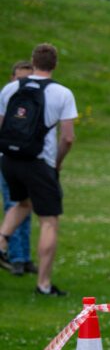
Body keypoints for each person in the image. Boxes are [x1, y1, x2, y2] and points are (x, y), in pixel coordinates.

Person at [0, 43, 77, 296]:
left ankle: (1, 242)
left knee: (22, 203)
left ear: (33, 62)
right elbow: (67, 138)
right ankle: (43, 284)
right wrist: (57, 163)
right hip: (38, 161)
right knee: (49, 221)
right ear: (55, 64)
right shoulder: (62, 93)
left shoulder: (10, 88)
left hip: (9, 158)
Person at [0, 61, 36, 276]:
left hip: (27, 161)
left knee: (26, 207)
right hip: (8, 159)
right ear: (12, 78)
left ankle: (24, 256)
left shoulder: (33, 103)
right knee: (13, 205)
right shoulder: (6, 100)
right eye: (20, 79)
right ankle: (15, 257)